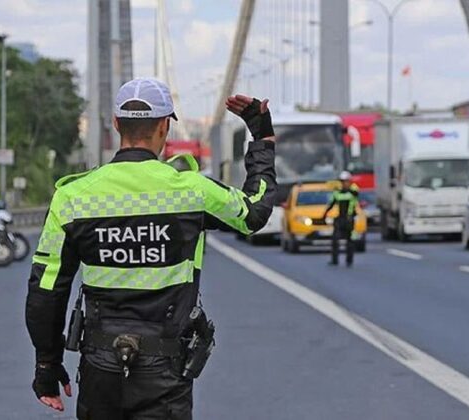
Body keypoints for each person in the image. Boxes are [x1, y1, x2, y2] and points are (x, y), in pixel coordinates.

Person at [25, 77, 277, 420]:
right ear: (164, 127)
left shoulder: (72, 198)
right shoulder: (191, 191)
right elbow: (254, 212)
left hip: (100, 366)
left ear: (116, 124)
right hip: (166, 369)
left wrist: (47, 365)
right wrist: (261, 138)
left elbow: (45, 290)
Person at [322, 171, 359, 267]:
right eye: (342, 181)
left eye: (346, 181)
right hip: (340, 218)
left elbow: (356, 193)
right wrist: (325, 214)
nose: (344, 183)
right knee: (335, 240)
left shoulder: (353, 191)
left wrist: (347, 189)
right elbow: (331, 204)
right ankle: (335, 260)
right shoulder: (337, 193)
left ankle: (349, 260)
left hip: (349, 219)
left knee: (350, 241)